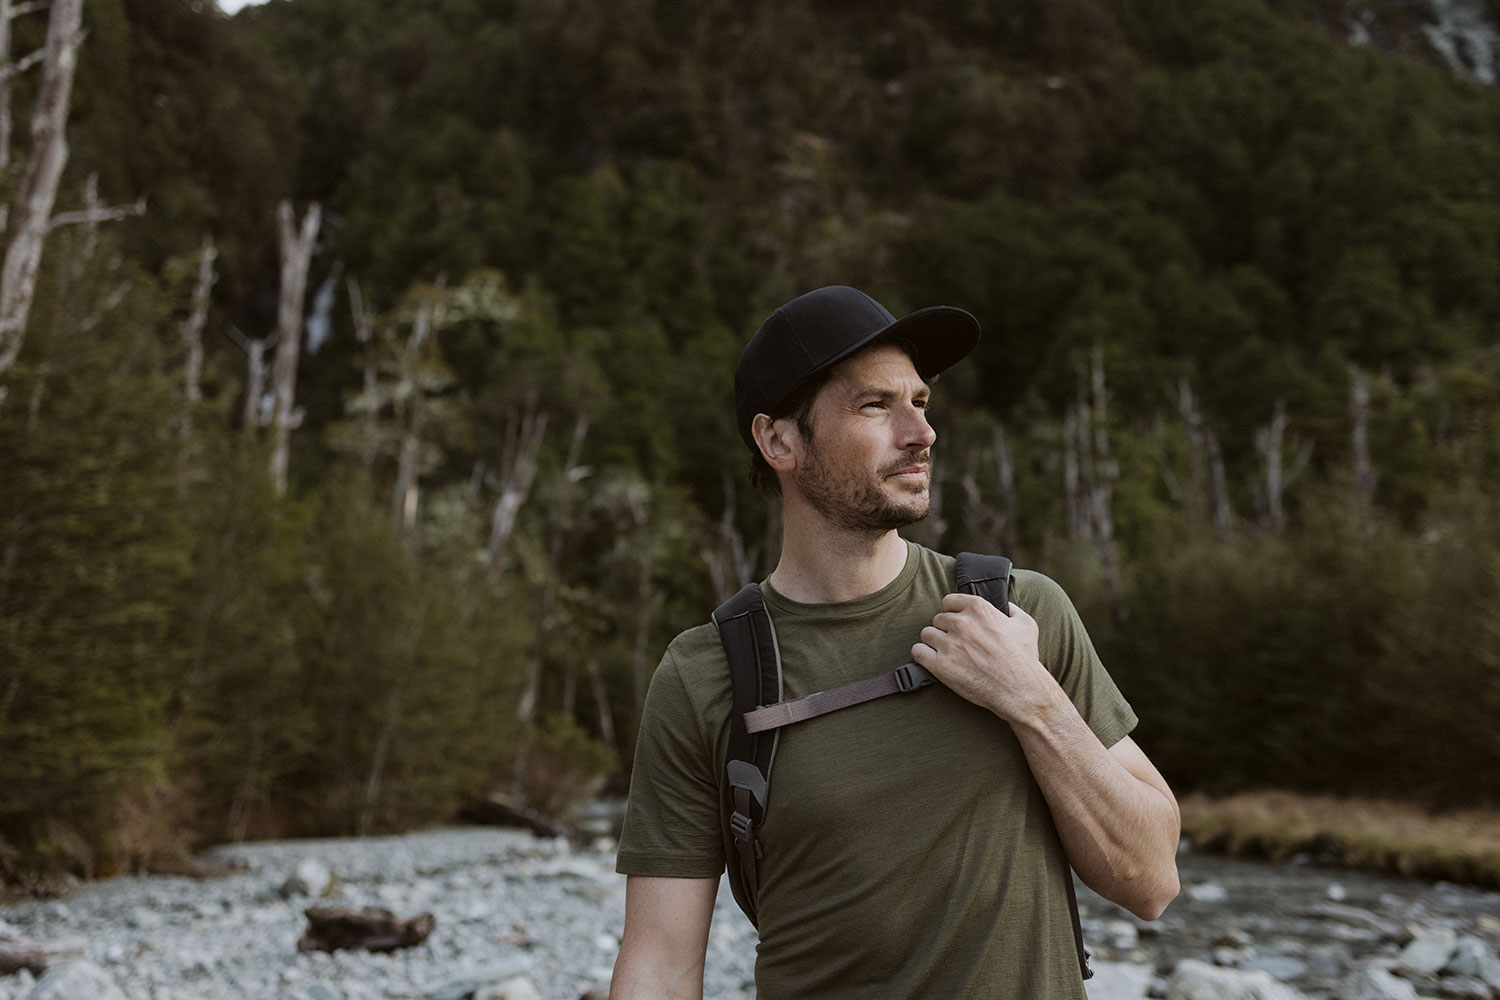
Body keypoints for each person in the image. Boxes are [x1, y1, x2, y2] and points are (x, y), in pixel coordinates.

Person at [609, 285, 1180, 999]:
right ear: (779, 439)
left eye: (921, 402)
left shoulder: (1018, 614)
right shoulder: (705, 675)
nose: (921, 432)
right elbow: (659, 967)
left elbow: (1152, 879)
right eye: (876, 406)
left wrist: (1034, 701)